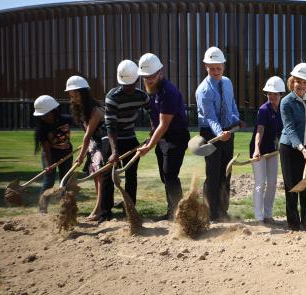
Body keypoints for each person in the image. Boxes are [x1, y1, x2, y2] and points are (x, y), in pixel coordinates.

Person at [136, 53, 190, 220]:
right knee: (164, 176)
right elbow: (156, 121)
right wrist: (152, 137)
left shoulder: (168, 92)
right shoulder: (153, 90)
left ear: (160, 72)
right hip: (163, 137)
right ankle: (172, 210)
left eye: (151, 76)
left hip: (176, 137)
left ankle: (181, 213)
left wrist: (148, 147)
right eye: (145, 77)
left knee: (169, 174)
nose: (148, 79)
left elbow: (164, 124)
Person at [195, 47, 243, 221]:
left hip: (228, 131)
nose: (215, 71)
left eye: (219, 68)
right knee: (213, 174)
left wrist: (237, 119)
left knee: (226, 172)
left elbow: (232, 104)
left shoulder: (228, 83)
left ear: (223, 66)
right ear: (206, 66)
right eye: (212, 68)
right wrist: (219, 133)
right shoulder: (204, 90)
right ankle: (211, 212)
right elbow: (210, 118)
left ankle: (223, 210)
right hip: (210, 134)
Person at [99, 59, 149, 223]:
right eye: (125, 84)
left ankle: (130, 208)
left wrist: (152, 133)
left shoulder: (142, 96)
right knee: (108, 174)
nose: (128, 87)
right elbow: (111, 127)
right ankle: (105, 212)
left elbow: (154, 114)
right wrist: (114, 152)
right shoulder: (112, 97)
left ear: (136, 80)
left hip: (130, 137)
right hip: (112, 138)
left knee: (131, 174)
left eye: (131, 84)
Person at [278, 63, 306, 232]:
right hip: (290, 149)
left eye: (304, 82)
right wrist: (301, 148)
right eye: (298, 81)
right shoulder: (286, 102)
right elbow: (290, 128)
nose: (301, 85)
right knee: (292, 187)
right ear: (292, 82)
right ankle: (294, 224)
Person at [65, 75, 106, 220]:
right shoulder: (81, 109)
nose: (74, 98)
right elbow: (88, 136)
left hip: (103, 144)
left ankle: (98, 209)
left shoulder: (95, 109)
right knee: (95, 176)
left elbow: (88, 135)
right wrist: (85, 148)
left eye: (76, 94)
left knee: (99, 176)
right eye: (71, 95)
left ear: (84, 93)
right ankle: (100, 206)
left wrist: (81, 156)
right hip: (94, 145)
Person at [250, 76, 284, 223]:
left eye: (275, 94)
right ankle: (258, 218)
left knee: (272, 183)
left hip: (273, 150)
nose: (272, 96)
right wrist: (257, 149)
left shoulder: (282, 110)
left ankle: (268, 215)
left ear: (281, 94)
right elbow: (260, 130)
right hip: (259, 150)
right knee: (260, 183)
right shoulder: (263, 110)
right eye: (269, 93)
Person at [32, 95, 73, 212]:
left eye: (46, 115)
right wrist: (49, 164)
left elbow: (84, 125)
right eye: (42, 116)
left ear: (54, 111)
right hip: (50, 155)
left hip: (66, 153)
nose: (44, 118)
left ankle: (65, 207)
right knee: (49, 181)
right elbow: (46, 149)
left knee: (65, 180)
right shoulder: (42, 128)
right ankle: (42, 209)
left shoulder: (66, 119)